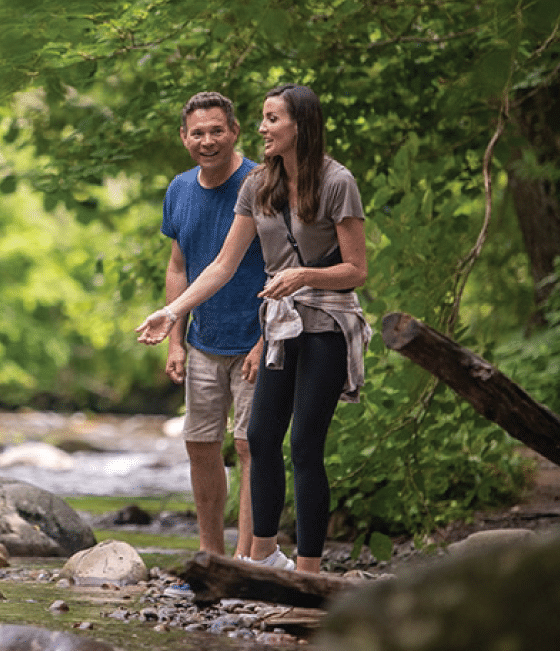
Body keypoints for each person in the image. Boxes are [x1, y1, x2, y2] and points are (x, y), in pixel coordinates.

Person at [137, 85, 371, 574]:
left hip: (325, 323)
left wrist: (304, 275)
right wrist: (172, 312)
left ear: (299, 126)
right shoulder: (258, 185)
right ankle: (262, 558)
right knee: (263, 439)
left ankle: (306, 572)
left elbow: (356, 270)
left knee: (305, 445)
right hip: (281, 326)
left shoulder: (337, 182)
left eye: (271, 119)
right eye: (262, 119)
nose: (263, 128)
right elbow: (222, 264)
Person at [160, 91, 267, 573]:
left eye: (216, 130)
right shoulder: (179, 190)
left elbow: (290, 264)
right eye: (198, 133)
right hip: (203, 340)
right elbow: (178, 266)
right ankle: (211, 557)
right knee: (201, 444)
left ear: (235, 131)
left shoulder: (263, 184)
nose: (208, 141)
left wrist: (268, 340)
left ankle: (247, 560)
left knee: (250, 446)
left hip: (256, 340)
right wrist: (176, 339)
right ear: (185, 139)